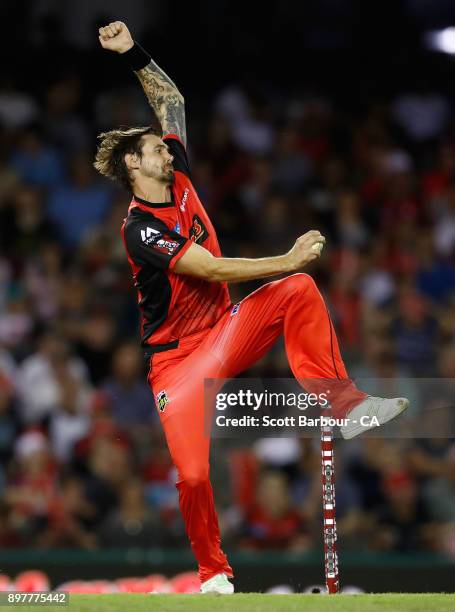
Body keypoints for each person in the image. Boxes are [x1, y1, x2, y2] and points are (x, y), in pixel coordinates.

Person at [94, 21, 409, 594]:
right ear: (133, 168)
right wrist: (287, 258)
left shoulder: (182, 177)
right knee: (191, 475)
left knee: (299, 293)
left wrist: (132, 52)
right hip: (177, 365)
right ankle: (214, 575)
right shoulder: (138, 229)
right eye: (152, 150)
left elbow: (172, 100)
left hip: (224, 330)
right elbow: (210, 269)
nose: (165, 149)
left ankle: (342, 403)